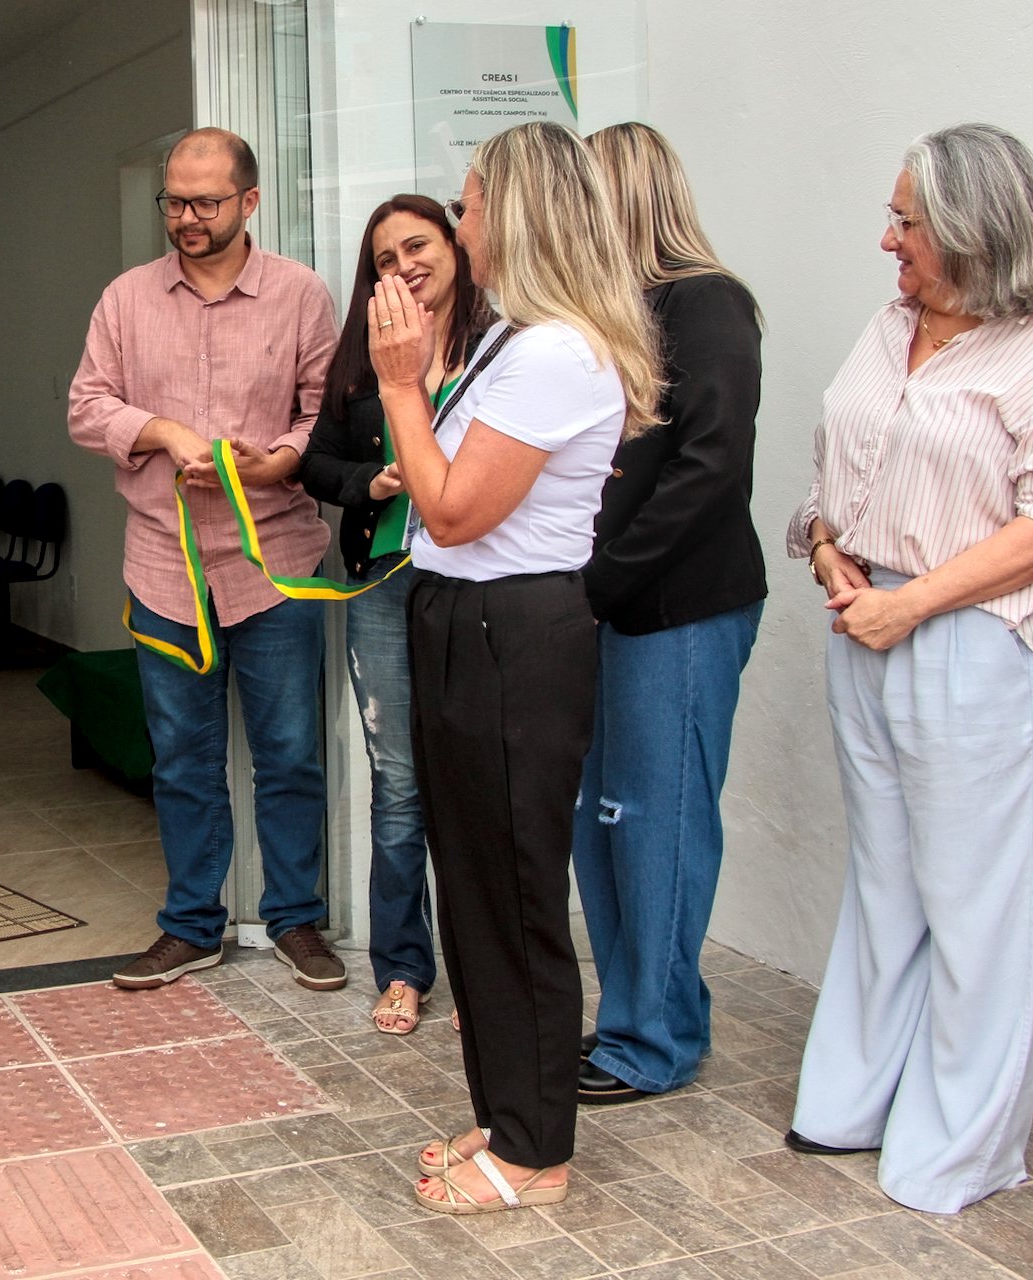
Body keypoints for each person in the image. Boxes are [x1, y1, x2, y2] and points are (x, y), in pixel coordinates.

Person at [786, 123, 1033, 1214]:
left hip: (980, 641)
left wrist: (911, 601)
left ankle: (959, 1145)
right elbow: (839, 461)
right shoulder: (890, 325)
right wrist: (826, 544)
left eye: (907, 221)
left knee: (980, 902)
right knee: (888, 879)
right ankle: (855, 1099)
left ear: (974, 229)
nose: (887, 240)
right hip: (866, 616)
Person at [372, 120, 662, 1214]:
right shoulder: (514, 339)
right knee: (477, 890)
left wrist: (401, 380)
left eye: (473, 201)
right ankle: (508, 1115)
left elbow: (447, 500)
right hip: (465, 617)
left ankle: (537, 1152)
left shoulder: (557, 352)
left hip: (513, 634)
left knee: (516, 893)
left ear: (523, 213)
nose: (458, 221)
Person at [69, 127, 344, 993]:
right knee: (181, 758)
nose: (185, 218)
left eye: (205, 203)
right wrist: (157, 431)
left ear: (249, 202)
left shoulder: (301, 295)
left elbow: (325, 418)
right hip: (162, 566)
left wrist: (282, 460)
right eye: (174, 202)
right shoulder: (125, 298)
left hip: (276, 564)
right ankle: (193, 925)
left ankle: (297, 920)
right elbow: (86, 407)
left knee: (290, 753)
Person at [569, 123, 767, 1105]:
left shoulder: (707, 301)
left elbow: (710, 463)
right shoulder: (612, 315)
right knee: (597, 822)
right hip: (609, 608)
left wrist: (603, 578)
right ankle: (626, 1019)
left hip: (680, 610)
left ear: (621, 200)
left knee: (657, 824)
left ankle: (657, 1040)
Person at [301, 195, 488, 1035]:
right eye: (384, 258)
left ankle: (484, 972)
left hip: (477, 585)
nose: (404, 266)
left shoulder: (504, 348)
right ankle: (404, 969)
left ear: (455, 245)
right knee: (401, 782)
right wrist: (368, 485)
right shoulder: (365, 357)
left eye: (417, 246)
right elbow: (318, 463)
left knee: (479, 779)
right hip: (382, 581)